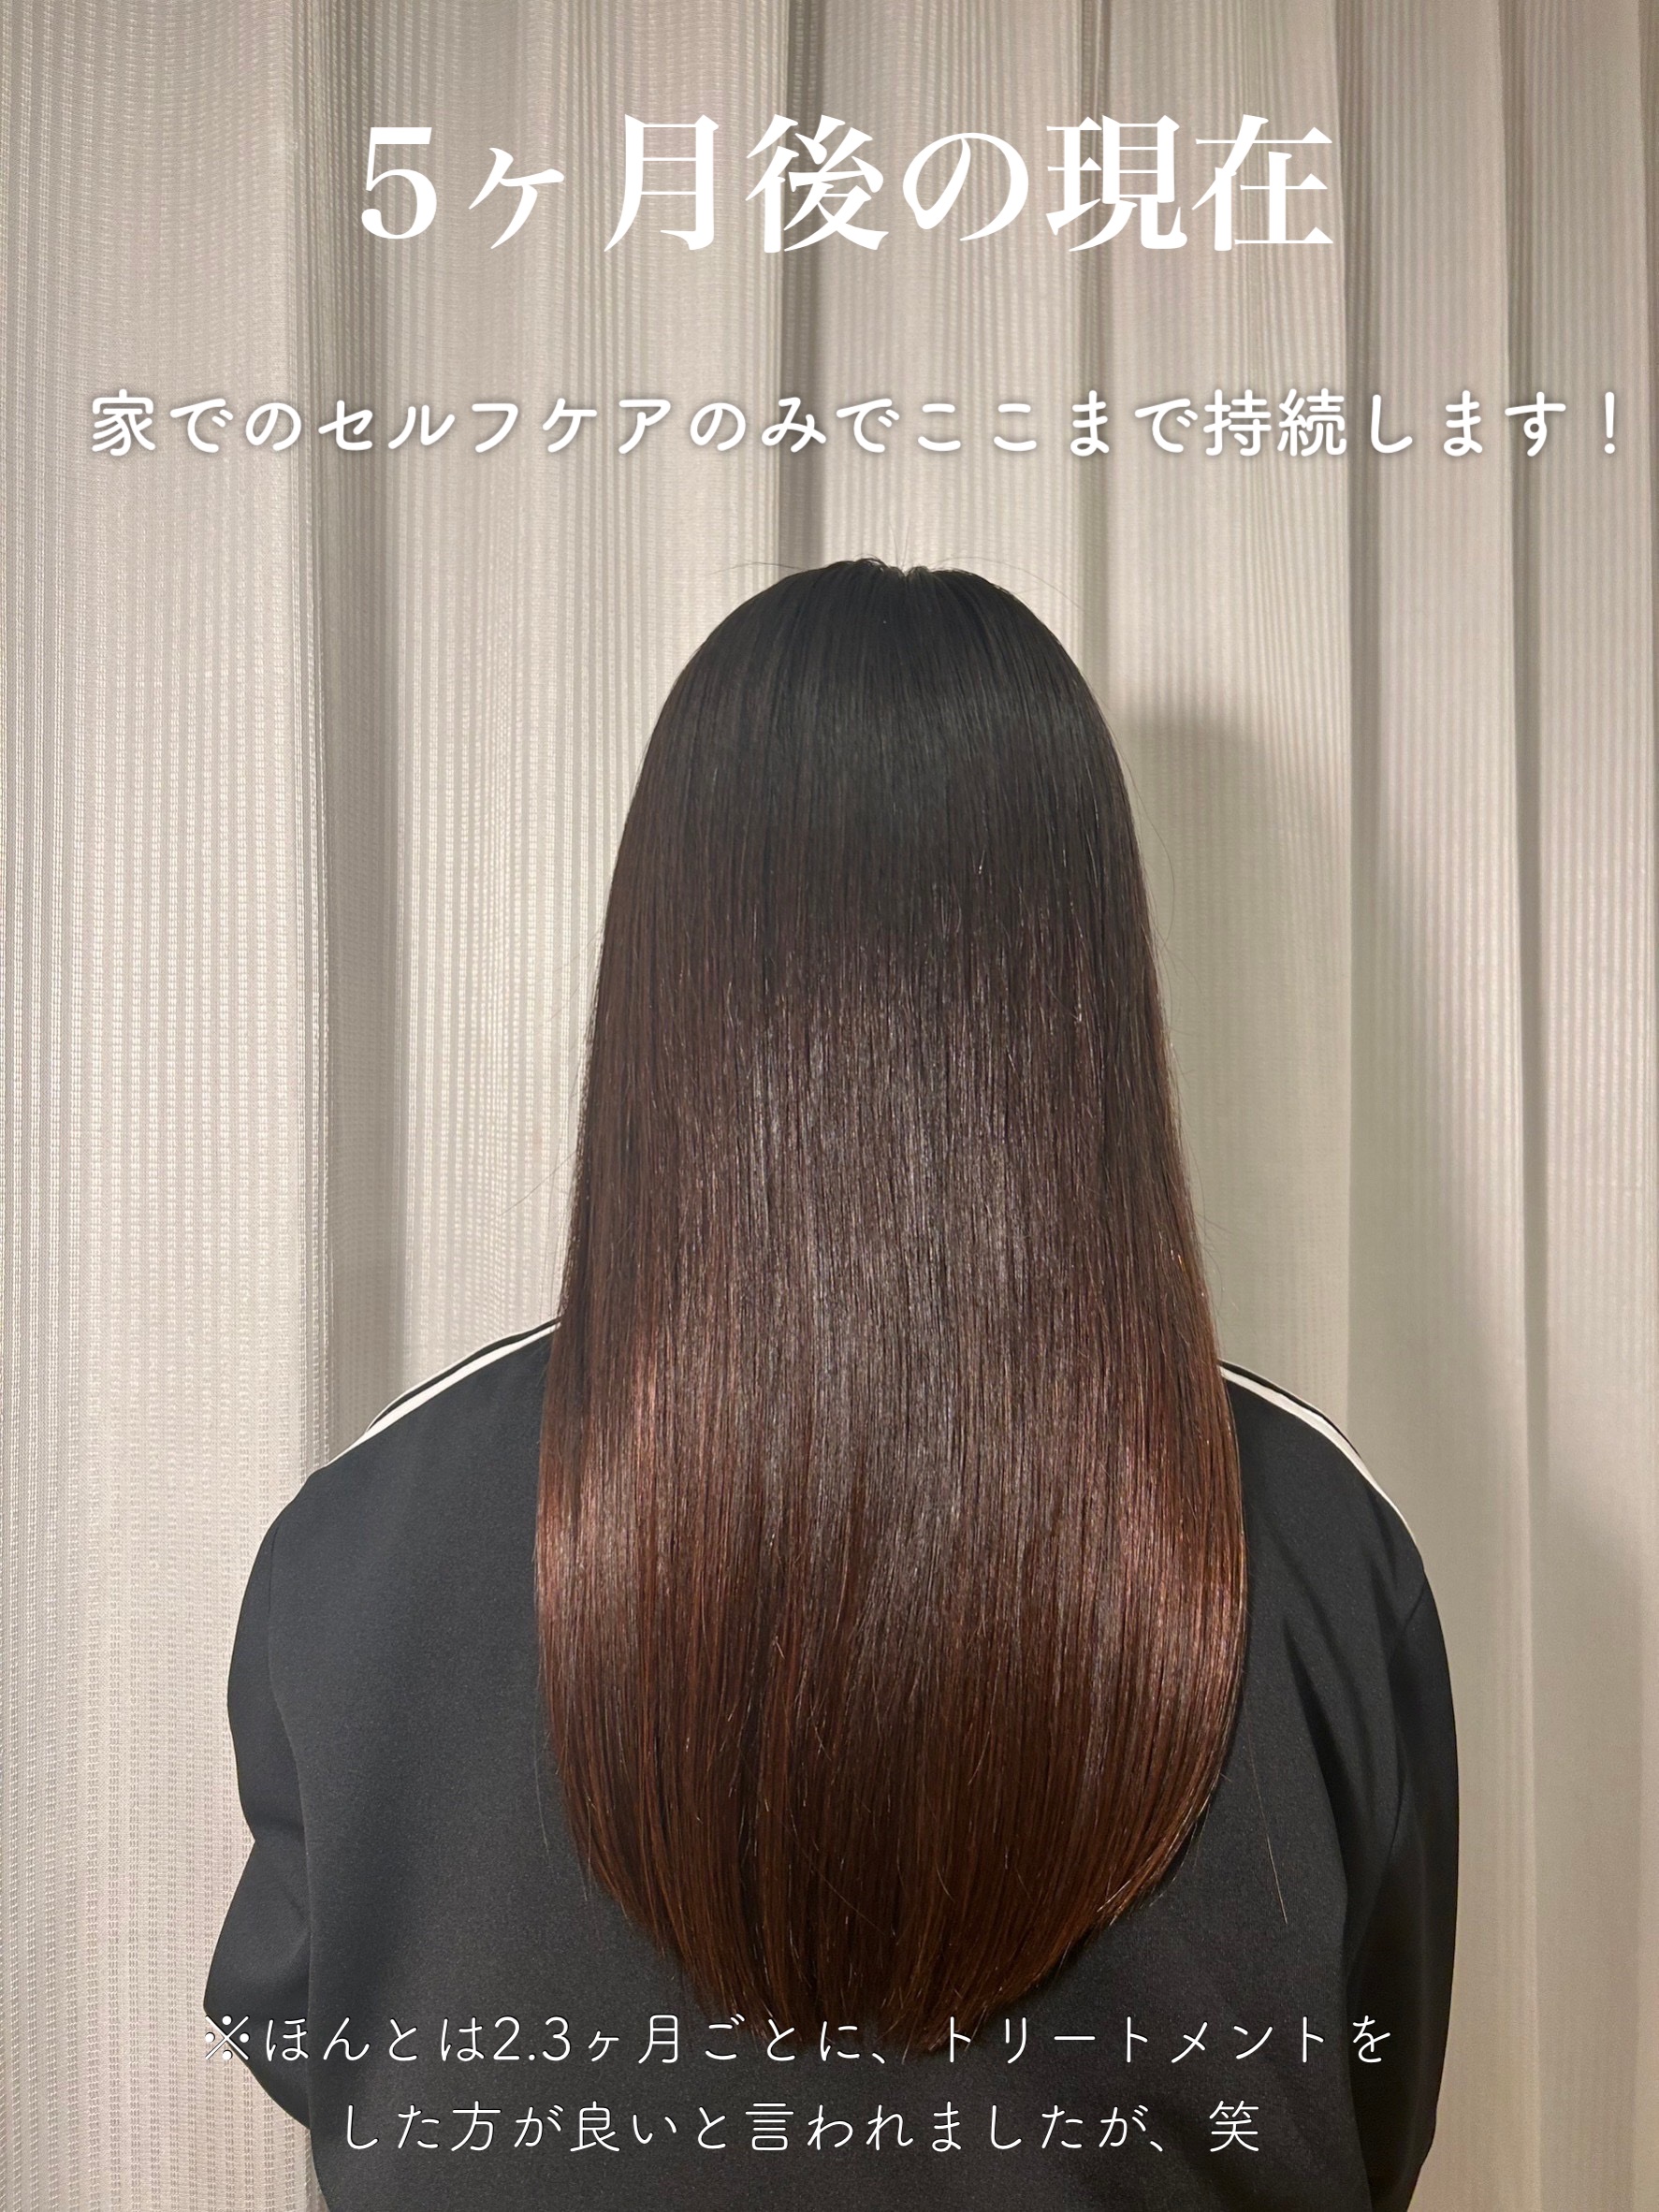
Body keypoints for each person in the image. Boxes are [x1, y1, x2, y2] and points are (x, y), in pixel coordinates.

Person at [204, 559, 1458, 2210]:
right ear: (1082, 977)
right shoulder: (1310, 1546)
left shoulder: (369, 1534)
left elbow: (319, 2043)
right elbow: (1366, 2110)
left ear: (667, 961)